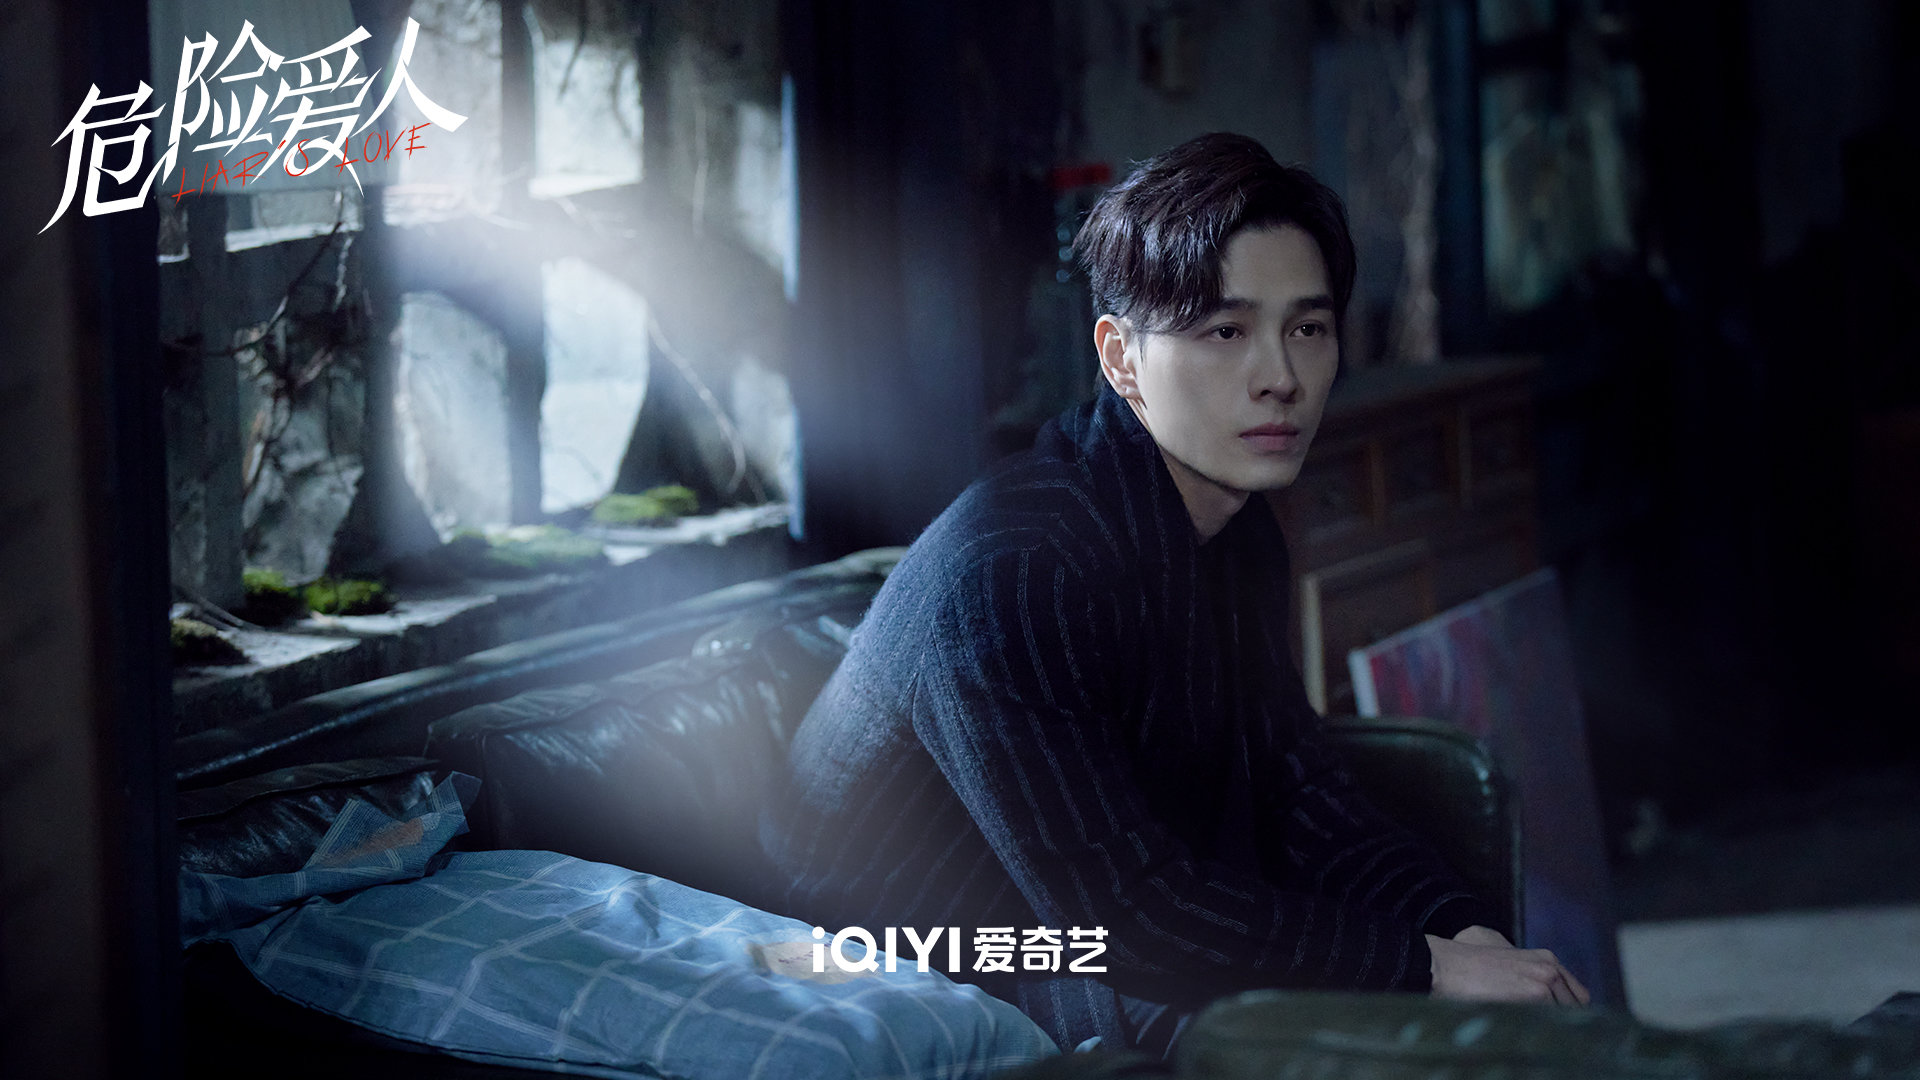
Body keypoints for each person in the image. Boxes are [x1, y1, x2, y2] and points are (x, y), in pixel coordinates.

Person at [764, 132, 1587, 1056]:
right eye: (1225, 333)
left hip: (1074, 907)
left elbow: (1299, 788)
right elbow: (1125, 922)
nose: (1280, 378)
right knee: (1283, 1033)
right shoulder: (1015, 572)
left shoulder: (1235, 526)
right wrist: (1422, 967)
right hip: (890, 952)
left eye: (1307, 330)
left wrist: (1463, 934)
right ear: (1120, 359)